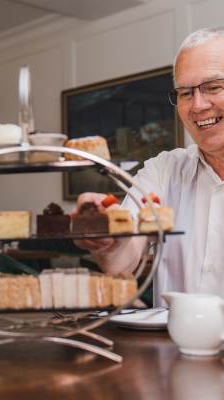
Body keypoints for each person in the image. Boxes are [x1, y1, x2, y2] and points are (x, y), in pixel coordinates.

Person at [75, 26, 224, 304]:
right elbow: (122, 261)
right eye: (185, 93)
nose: (198, 105)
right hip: (172, 347)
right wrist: (105, 241)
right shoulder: (163, 170)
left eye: (213, 87)